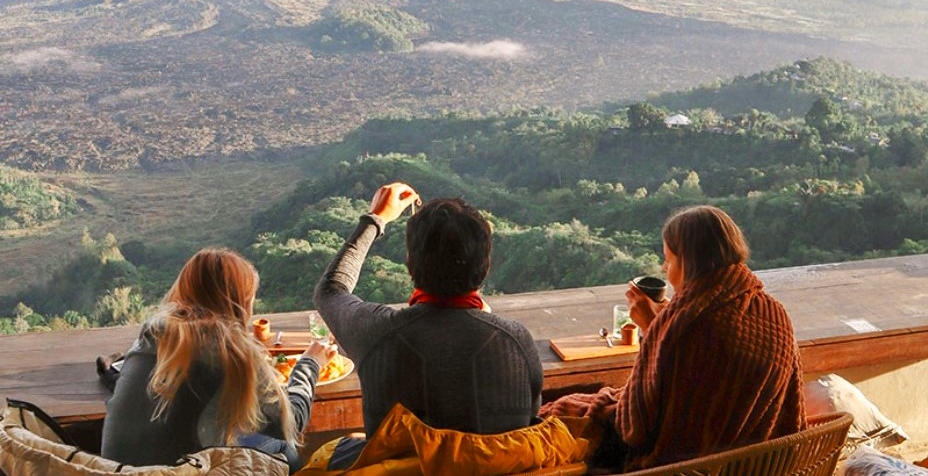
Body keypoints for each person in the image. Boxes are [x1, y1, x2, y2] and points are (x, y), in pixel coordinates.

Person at [541, 205, 806, 472]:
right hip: (755, 466)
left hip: (681, 469)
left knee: (559, 410)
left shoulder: (688, 325)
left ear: (688, 263)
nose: (665, 268)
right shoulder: (775, 312)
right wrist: (664, 323)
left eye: (668, 260)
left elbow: (633, 426)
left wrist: (652, 328)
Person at [313, 182, 544, 469]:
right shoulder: (516, 341)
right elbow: (528, 422)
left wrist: (375, 219)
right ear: (485, 265)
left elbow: (329, 290)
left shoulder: (377, 334)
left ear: (409, 262)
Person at [101, 247, 336, 473]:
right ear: (240, 303)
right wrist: (310, 363)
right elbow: (292, 423)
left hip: (117, 472)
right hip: (188, 472)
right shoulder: (231, 354)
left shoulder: (153, 335)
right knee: (283, 448)